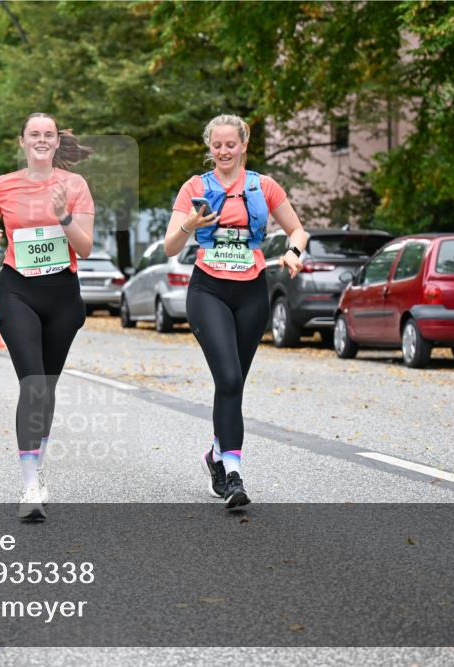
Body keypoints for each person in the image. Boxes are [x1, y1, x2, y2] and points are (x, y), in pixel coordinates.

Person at [164, 114, 307, 510]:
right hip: (208, 289)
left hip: (251, 292)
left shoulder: (264, 186)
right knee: (227, 376)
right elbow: (170, 248)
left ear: (244, 144)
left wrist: (294, 253)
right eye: (217, 145)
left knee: (234, 384)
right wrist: (190, 224)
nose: (224, 151)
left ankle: (215, 453)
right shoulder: (194, 187)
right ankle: (232, 476)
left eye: (231, 144)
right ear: (209, 148)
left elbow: (297, 230)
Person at [0, 112, 95, 521]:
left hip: (62, 294)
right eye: (34, 134)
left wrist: (63, 218)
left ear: (57, 142)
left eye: (48, 135)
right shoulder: (5, 183)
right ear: (22, 141)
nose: (41, 140)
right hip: (16, 290)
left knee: (47, 385)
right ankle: (29, 483)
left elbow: (87, 247)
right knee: (32, 383)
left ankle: (37, 467)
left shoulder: (75, 185)